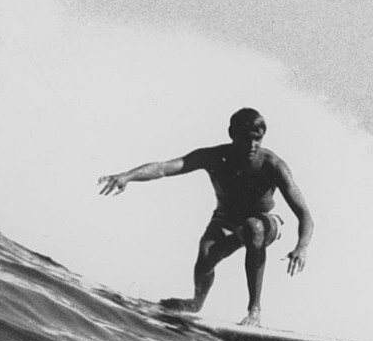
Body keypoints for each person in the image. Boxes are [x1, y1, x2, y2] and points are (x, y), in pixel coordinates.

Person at [99, 107, 314, 326]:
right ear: (232, 134)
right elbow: (165, 168)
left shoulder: (273, 165)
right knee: (205, 255)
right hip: (226, 219)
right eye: (246, 139)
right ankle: (196, 303)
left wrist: (301, 247)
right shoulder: (213, 156)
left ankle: (254, 311)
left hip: (266, 222)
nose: (252, 146)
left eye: (257, 140)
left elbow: (305, 215)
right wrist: (127, 176)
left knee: (253, 228)